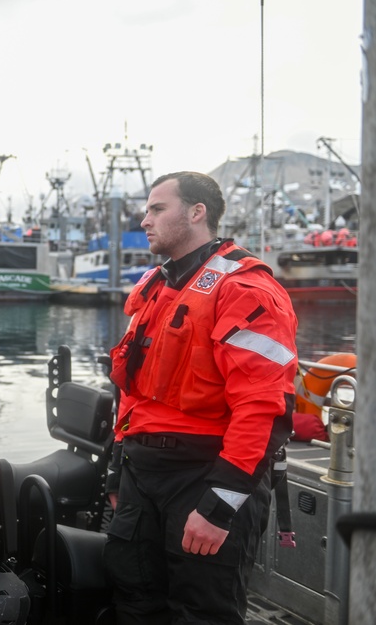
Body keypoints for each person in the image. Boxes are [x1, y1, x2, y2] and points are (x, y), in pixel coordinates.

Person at [104, 171, 297, 624]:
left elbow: (263, 409)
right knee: (134, 603)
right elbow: (134, 389)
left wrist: (219, 505)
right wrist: (119, 465)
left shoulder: (246, 290)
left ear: (196, 213)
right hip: (143, 475)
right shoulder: (158, 285)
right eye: (146, 209)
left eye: (156, 209)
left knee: (202, 612)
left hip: (203, 476)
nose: (144, 219)